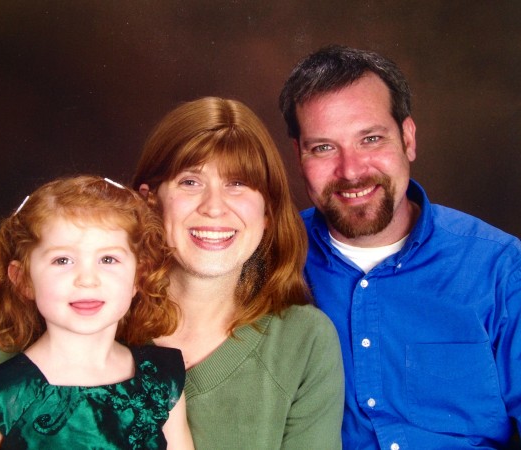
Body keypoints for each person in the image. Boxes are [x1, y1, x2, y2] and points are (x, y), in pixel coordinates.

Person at [279, 45, 521, 449]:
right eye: (323, 147)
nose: (351, 170)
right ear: (298, 155)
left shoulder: (500, 268)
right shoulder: (270, 256)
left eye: (371, 139)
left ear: (408, 139)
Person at [131, 96, 344, 449]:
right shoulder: (76, 309)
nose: (214, 208)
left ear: (267, 213)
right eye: (190, 182)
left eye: (237, 184)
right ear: (150, 200)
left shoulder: (304, 342)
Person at [0, 175, 193, 449]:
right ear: (23, 280)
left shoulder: (160, 382)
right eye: (62, 260)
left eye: (108, 259)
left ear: (139, 276)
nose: (87, 279)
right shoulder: (3, 399)